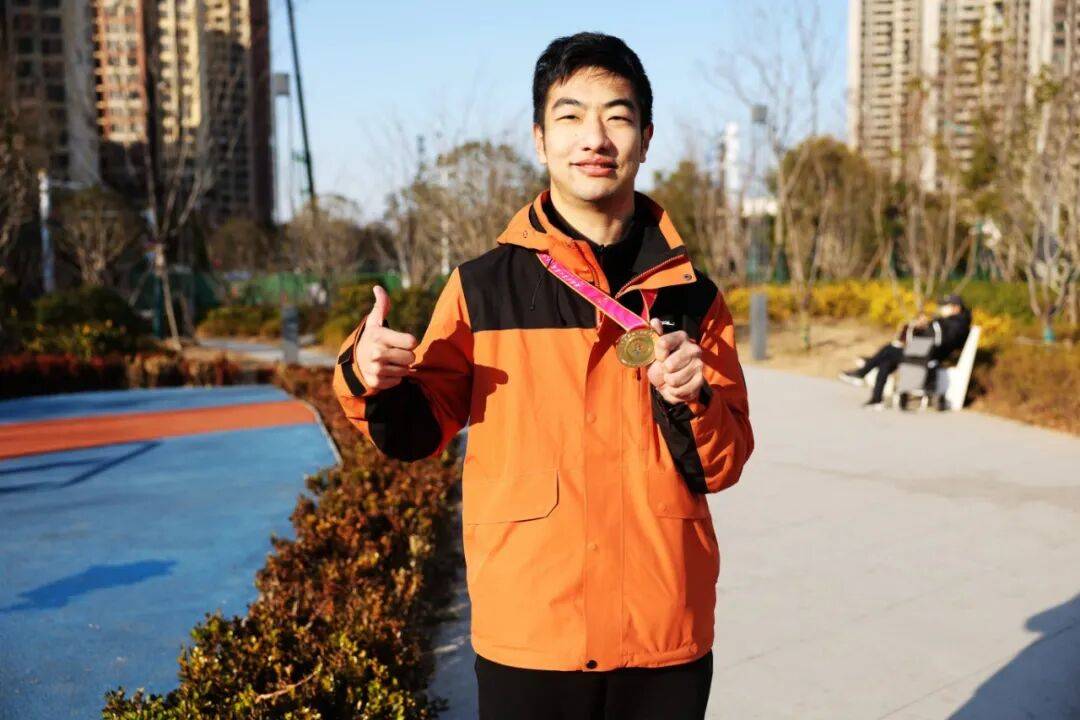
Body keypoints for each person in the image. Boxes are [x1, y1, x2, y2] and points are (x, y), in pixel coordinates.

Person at [332, 32, 754, 720]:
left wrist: (695, 398)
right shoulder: (481, 288)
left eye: (617, 116)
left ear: (646, 138)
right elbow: (415, 432)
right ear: (539, 139)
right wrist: (366, 373)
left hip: (664, 630)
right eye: (570, 115)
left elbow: (723, 464)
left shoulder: (693, 297)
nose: (595, 137)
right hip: (531, 634)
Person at [839, 294, 973, 409]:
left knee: (889, 350)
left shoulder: (959, 324)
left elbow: (942, 341)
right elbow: (932, 335)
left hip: (927, 356)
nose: (942, 308)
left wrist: (929, 325)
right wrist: (923, 327)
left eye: (945, 306)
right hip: (922, 351)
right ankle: (876, 397)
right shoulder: (949, 321)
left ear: (956, 308)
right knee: (887, 358)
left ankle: (863, 373)